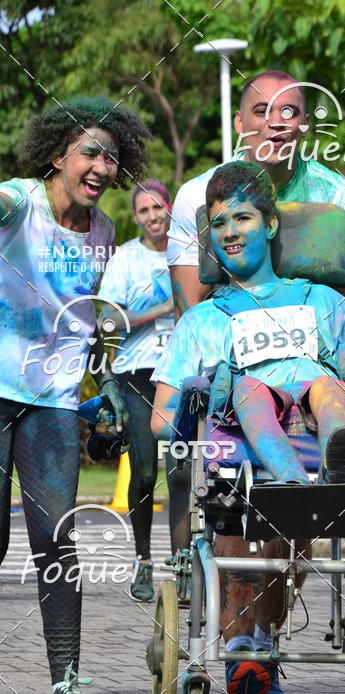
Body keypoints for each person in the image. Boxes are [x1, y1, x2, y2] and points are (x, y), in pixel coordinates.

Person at [151, 161, 345, 694]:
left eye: (242, 217)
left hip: (317, 436)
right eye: (218, 222)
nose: (230, 232)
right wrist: (201, 392)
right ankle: (247, 650)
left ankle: (314, 482)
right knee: (246, 400)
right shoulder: (202, 320)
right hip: (239, 457)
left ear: (270, 224)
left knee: (326, 388)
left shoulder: (326, 303)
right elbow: (162, 415)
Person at [0, 98, 150, 694]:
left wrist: (108, 382)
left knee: (56, 539)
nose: (101, 166)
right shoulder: (18, 201)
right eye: (90, 153)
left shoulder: (107, 232)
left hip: (55, 402)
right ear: (58, 156)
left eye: (111, 158)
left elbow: (93, 320)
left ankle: (67, 683)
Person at [167, 70, 345, 318]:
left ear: (304, 125)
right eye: (262, 111)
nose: (276, 122)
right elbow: (189, 316)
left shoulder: (339, 197)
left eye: (289, 112)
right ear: (239, 123)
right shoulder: (197, 196)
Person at [98, 180, 187, 601]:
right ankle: (143, 562)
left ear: (170, 208)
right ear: (136, 218)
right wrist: (162, 309)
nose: (153, 217)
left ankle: (184, 564)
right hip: (138, 373)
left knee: (183, 472)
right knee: (147, 470)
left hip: (183, 372)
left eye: (158, 208)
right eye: (144, 211)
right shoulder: (125, 260)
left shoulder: (188, 253)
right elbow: (108, 324)